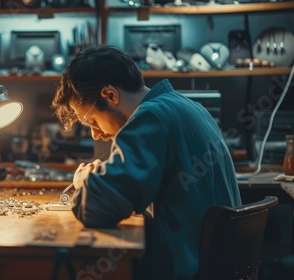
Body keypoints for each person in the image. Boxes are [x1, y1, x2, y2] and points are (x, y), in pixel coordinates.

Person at [51, 45, 242, 280]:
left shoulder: (152, 117)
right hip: (215, 266)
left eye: (92, 121)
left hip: (187, 271)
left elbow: (96, 210)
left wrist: (85, 182)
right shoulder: (188, 107)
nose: (95, 134)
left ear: (110, 95)